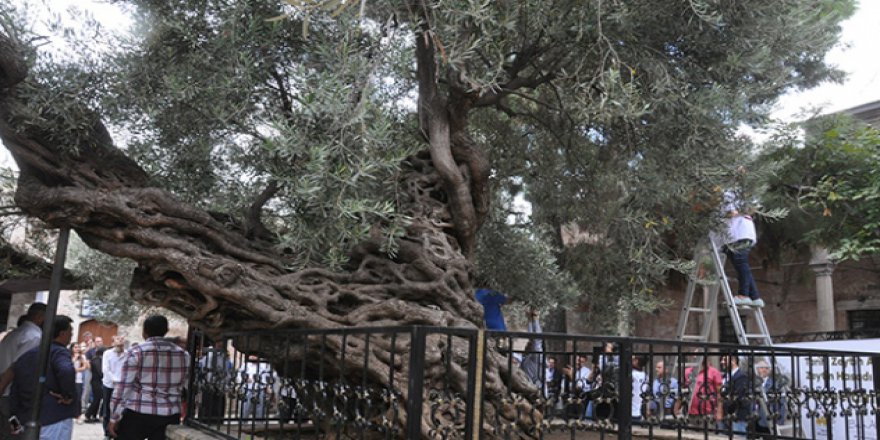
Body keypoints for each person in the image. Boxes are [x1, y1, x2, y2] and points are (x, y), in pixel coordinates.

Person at [109, 315, 190, 440]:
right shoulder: (183, 355)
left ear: (144, 332)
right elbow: (185, 384)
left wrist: (114, 416)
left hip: (137, 412)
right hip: (169, 413)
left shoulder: (136, 352)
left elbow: (123, 387)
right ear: (166, 330)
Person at [8, 315, 79, 439]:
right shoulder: (58, 352)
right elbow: (66, 370)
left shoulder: (25, 356)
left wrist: (14, 424)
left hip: (26, 419)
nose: (71, 336)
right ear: (62, 333)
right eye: (70, 332)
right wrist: (68, 395)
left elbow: (14, 392)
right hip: (53, 419)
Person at [0, 302, 46, 440]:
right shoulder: (33, 337)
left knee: (7, 430)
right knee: (15, 431)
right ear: (39, 317)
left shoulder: (16, 333)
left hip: (6, 393)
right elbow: (17, 365)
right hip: (10, 395)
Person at [721, 190, 764, 307]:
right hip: (733, 235)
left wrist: (729, 213)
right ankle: (755, 297)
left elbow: (734, 212)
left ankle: (743, 295)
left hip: (739, 233)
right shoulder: (736, 190)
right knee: (740, 265)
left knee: (741, 263)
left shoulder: (732, 190)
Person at [196, 340, 232, 423]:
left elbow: (227, 372)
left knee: (218, 410)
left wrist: (226, 385)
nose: (221, 344)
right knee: (207, 410)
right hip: (209, 386)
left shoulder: (224, 357)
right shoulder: (209, 355)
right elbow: (204, 370)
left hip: (220, 387)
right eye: (219, 342)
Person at [680, 354, 722, 423]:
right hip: (689, 413)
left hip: (707, 414)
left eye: (697, 355)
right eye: (694, 355)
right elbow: (682, 390)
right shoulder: (687, 371)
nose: (695, 357)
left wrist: (719, 412)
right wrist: (677, 409)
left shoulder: (714, 372)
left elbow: (719, 393)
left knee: (707, 432)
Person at [718, 353, 750, 435]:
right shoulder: (726, 376)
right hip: (726, 415)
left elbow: (738, 396)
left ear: (733, 361)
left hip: (737, 415)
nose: (722, 362)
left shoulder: (741, 376)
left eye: (725, 360)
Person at [102, 335, 127, 437]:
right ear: (113, 342)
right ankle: (107, 432)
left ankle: (118, 431)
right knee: (107, 409)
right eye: (118, 339)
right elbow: (105, 369)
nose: (119, 341)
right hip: (109, 384)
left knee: (120, 409)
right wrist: (115, 380)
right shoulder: (107, 353)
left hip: (122, 386)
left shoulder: (127, 354)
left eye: (122, 339)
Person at [754, 360, 787, 438]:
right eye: (761, 368)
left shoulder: (775, 384)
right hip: (755, 420)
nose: (764, 370)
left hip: (769, 420)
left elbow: (782, 402)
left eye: (766, 368)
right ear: (757, 370)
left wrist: (780, 420)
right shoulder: (753, 384)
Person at [83, 347, 105, 423]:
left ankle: (94, 415)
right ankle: (87, 415)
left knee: (98, 399)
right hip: (96, 381)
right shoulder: (96, 360)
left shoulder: (98, 359)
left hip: (97, 381)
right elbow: (99, 371)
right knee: (96, 399)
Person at [70, 342, 89, 424]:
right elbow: (69, 365)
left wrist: (77, 370)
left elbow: (85, 366)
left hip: (78, 379)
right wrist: (74, 359)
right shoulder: (69, 356)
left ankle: (78, 415)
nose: (77, 349)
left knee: (78, 397)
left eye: (78, 347)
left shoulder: (82, 357)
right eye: (75, 347)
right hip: (70, 379)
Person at [631, 356, 648, 423]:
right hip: (638, 413)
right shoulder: (645, 376)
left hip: (629, 412)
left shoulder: (633, 375)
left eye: (634, 359)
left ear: (636, 361)